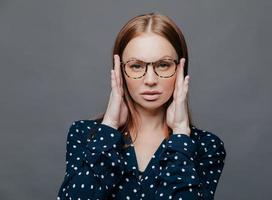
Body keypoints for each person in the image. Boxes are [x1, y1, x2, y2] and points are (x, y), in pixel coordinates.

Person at [57, 12, 226, 200]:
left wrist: (180, 134)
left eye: (163, 65)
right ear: (120, 71)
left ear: (180, 70)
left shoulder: (206, 146)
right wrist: (110, 125)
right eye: (136, 66)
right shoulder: (85, 135)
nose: (150, 80)